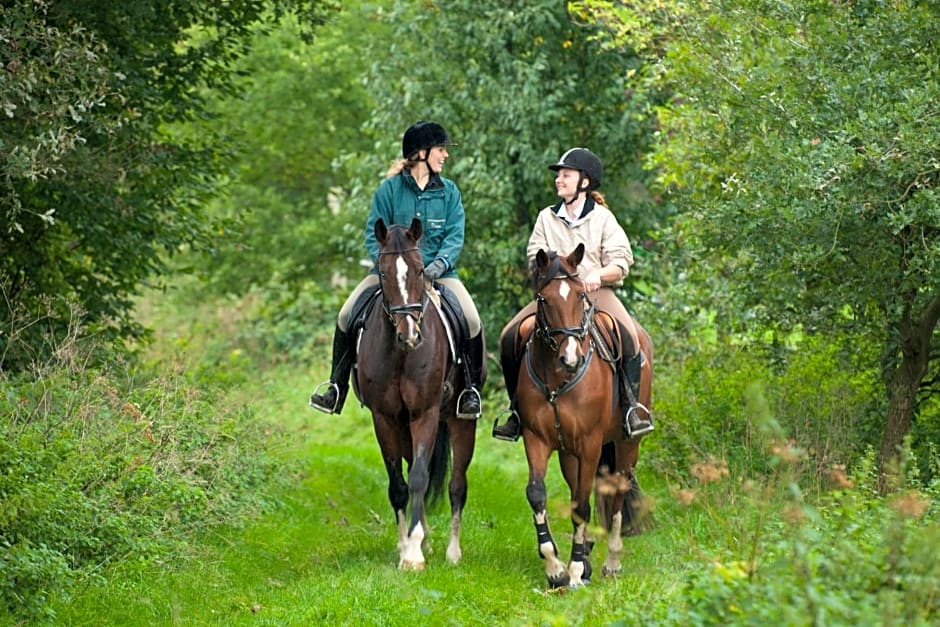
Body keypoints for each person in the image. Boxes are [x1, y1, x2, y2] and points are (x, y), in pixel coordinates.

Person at [309, 121, 485, 419]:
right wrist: (388, 269)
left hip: (438, 273)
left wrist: (437, 265)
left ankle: (469, 390)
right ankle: (336, 388)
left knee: (471, 319)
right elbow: (372, 234)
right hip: (392, 275)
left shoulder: (450, 193)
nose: (445, 156)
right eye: (441, 150)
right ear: (421, 153)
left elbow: (455, 236)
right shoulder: (388, 191)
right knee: (345, 315)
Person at [492, 147, 653, 441]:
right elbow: (533, 256)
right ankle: (516, 411)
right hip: (555, 298)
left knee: (630, 336)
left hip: (595, 294)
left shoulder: (603, 218)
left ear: (584, 182)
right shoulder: (546, 217)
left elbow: (621, 260)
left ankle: (631, 409)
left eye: (566, 175)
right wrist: (553, 274)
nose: (559, 180)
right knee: (508, 335)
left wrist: (597, 275)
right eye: (559, 175)